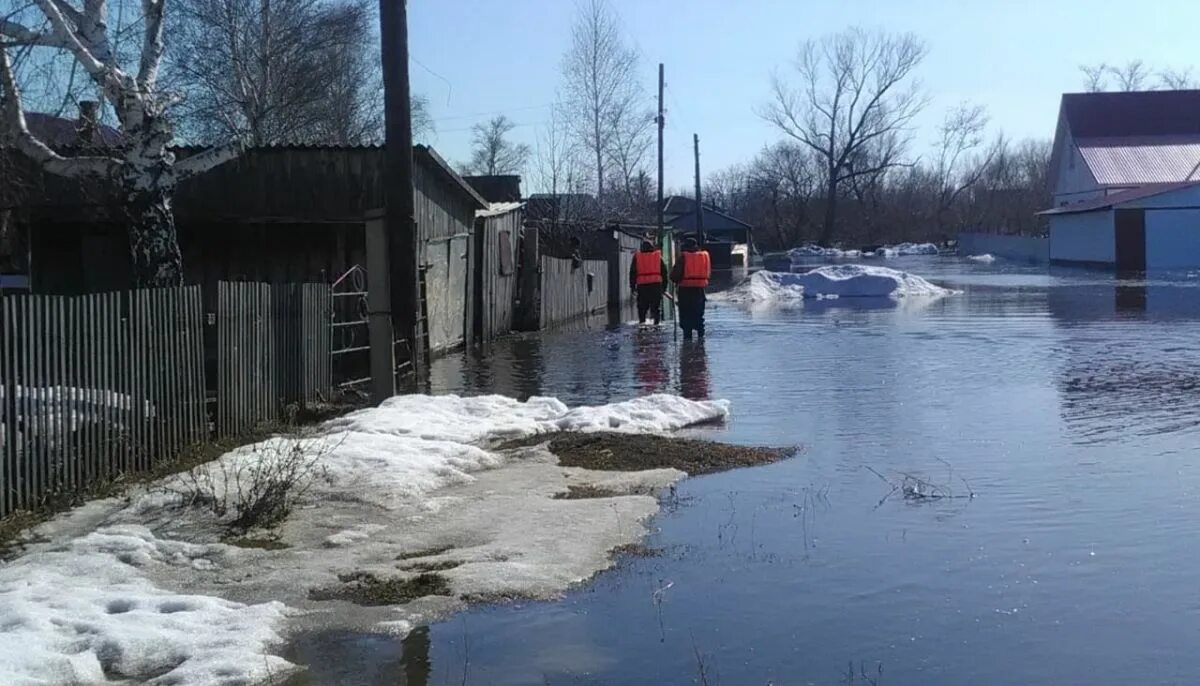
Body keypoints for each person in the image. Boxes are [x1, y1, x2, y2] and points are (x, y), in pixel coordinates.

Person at [670, 236, 710, 339]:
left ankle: (687, 343)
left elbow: (674, 276)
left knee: (686, 317)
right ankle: (701, 341)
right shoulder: (704, 256)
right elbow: (708, 273)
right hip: (699, 291)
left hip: (685, 291)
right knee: (698, 316)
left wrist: (675, 280)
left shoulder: (683, 257)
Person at [629, 237, 667, 325]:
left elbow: (632, 273)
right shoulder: (658, 257)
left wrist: (632, 286)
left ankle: (642, 323)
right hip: (655, 286)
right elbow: (664, 272)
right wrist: (664, 287)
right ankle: (657, 324)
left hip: (642, 287)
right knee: (656, 308)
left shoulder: (637, 257)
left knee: (642, 309)